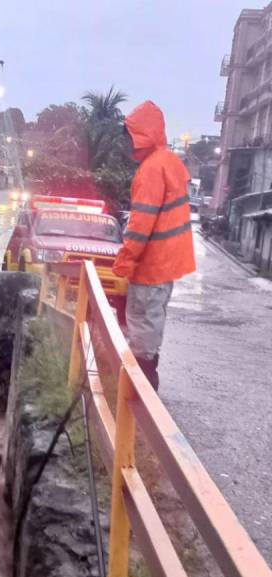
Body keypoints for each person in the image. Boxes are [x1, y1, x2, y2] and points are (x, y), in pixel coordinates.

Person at [113, 100, 195, 390]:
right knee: (151, 322)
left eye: (131, 137)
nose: (127, 145)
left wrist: (124, 262)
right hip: (164, 265)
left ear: (142, 135)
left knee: (142, 324)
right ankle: (145, 380)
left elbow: (140, 225)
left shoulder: (151, 169)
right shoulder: (169, 162)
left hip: (151, 265)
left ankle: (141, 388)